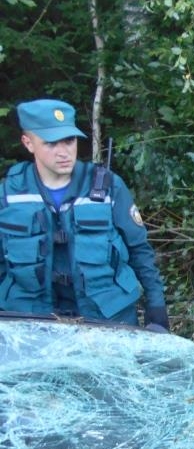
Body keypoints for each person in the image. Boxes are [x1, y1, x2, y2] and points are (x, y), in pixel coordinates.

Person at [0, 99, 168, 329]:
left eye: (69, 141)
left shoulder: (108, 186)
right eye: (51, 143)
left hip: (107, 316)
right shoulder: (9, 193)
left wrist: (156, 306)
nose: (64, 152)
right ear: (28, 143)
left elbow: (140, 250)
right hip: (32, 321)